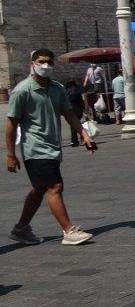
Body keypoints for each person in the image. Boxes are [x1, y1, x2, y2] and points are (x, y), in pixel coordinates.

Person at [7, 49, 97, 246]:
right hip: (34, 148)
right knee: (55, 186)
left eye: (49, 62)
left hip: (53, 146)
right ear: (32, 63)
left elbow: (69, 113)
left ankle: (21, 228)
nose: (45, 66)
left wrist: (84, 134)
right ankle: (68, 231)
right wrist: (10, 155)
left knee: (39, 189)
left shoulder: (57, 88)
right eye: (41, 61)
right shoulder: (22, 91)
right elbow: (11, 124)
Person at [65, 80, 86, 146]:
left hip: (70, 112)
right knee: (77, 125)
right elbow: (81, 102)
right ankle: (81, 139)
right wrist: (84, 110)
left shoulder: (66, 93)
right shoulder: (77, 92)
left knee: (73, 126)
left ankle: (74, 140)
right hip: (77, 111)